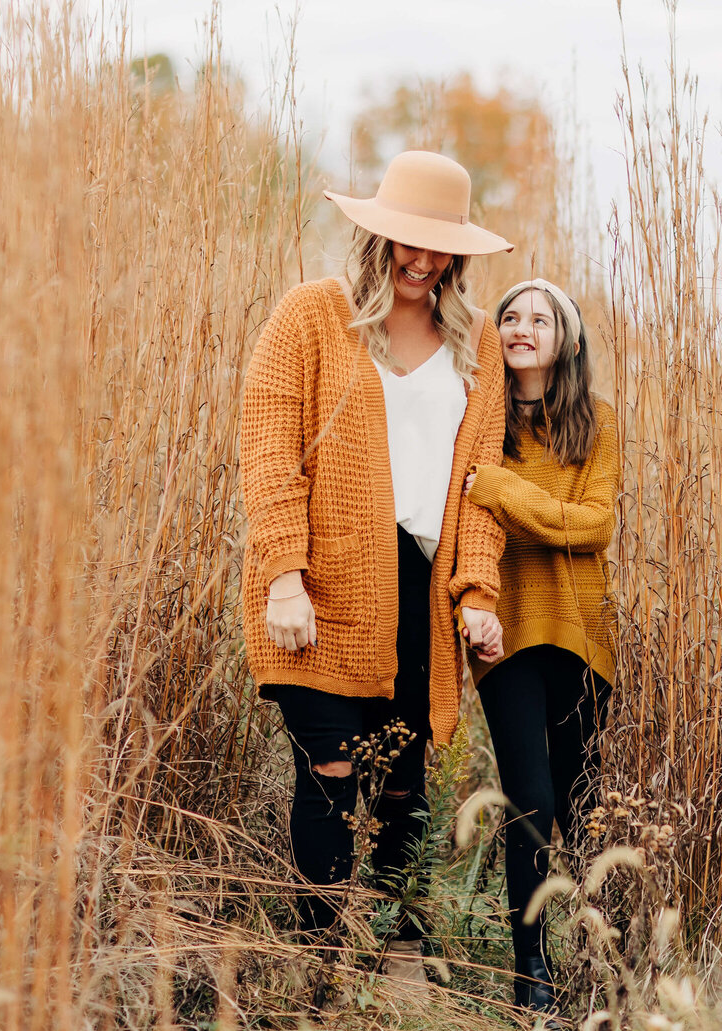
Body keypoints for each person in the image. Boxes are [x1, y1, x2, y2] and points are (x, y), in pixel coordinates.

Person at [239, 150, 511, 977]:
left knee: (400, 780)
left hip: (419, 588)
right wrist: (285, 572)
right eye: (409, 242)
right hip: (321, 582)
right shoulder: (312, 316)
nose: (423, 262)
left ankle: (397, 957)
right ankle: (316, 966)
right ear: (377, 236)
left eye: (441, 248)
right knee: (329, 770)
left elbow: (481, 486)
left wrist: (477, 588)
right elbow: (267, 448)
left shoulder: (479, 343)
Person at [463, 278, 620, 1012]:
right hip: (507, 636)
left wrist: (501, 490)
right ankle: (531, 966)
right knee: (529, 798)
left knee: (581, 800)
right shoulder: (479, 424)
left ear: (569, 340)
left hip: (584, 637)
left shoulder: (598, 425)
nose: (523, 326)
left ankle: (597, 952)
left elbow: (592, 526)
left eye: (541, 318)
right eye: (511, 316)